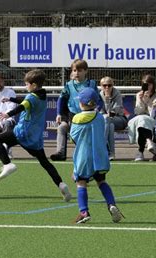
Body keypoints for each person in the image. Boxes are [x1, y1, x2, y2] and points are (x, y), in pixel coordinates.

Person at [0, 69, 72, 202]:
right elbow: (25, 101)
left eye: (27, 84)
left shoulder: (30, 98)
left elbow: (23, 106)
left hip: (22, 133)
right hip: (35, 138)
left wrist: (8, 114)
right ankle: (61, 185)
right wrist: (10, 99)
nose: (25, 86)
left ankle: (7, 164)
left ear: (33, 85)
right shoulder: (42, 95)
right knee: (45, 163)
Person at [70, 87, 124, 224]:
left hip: (84, 157)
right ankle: (111, 204)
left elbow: (73, 138)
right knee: (102, 182)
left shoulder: (77, 118)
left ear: (81, 103)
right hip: (100, 156)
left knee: (81, 182)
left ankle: (84, 212)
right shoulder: (100, 117)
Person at [50, 59, 101, 161]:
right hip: (72, 115)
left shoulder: (91, 84)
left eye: (80, 70)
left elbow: (99, 100)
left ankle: (93, 153)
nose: (77, 73)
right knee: (62, 128)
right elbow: (61, 99)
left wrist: (98, 110)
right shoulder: (69, 85)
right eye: (74, 70)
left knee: (85, 134)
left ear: (86, 71)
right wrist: (59, 113)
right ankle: (60, 153)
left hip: (87, 115)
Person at [127, 74, 156, 161]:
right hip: (140, 118)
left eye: (149, 84)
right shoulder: (139, 95)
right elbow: (138, 112)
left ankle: (140, 152)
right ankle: (149, 141)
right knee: (141, 120)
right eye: (145, 84)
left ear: (153, 84)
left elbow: (152, 113)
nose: (148, 86)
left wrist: (148, 101)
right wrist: (141, 100)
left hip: (153, 119)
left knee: (142, 122)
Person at [99, 76, 128, 160]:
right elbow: (100, 111)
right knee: (110, 125)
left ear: (113, 85)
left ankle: (102, 146)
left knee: (107, 120)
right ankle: (111, 154)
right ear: (101, 86)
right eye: (104, 85)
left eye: (109, 85)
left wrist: (107, 101)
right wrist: (105, 114)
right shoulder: (99, 95)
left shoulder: (117, 94)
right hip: (107, 122)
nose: (107, 87)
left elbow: (113, 112)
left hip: (120, 119)